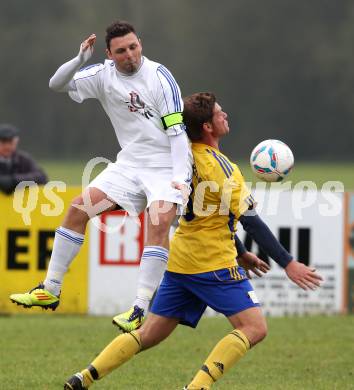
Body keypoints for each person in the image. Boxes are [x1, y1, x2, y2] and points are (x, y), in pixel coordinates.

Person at [63, 92, 323, 390]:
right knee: (254, 328)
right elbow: (251, 221)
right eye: (220, 113)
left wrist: (241, 252)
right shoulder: (223, 169)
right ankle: (198, 387)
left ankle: (84, 377)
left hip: (182, 261)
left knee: (149, 334)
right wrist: (289, 264)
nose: (225, 115)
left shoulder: (182, 159)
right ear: (209, 127)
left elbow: (213, 215)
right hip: (213, 264)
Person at [9, 21, 191, 331]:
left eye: (133, 47)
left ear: (140, 45)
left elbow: (177, 134)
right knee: (79, 208)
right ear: (109, 54)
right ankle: (50, 289)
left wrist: (181, 180)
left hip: (165, 166)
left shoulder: (160, 77)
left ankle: (138, 307)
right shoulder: (102, 75)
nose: (130, 55)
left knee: (158, 224)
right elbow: (57, 84)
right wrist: (80, 58)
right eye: (121, 51)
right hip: (129, 165)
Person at [0, 123, 47, 194]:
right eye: (3, 142)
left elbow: (42, 177)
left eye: (10, 142)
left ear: (16, 141)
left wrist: (14, 180)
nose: (7, 146)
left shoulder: (23, 159)